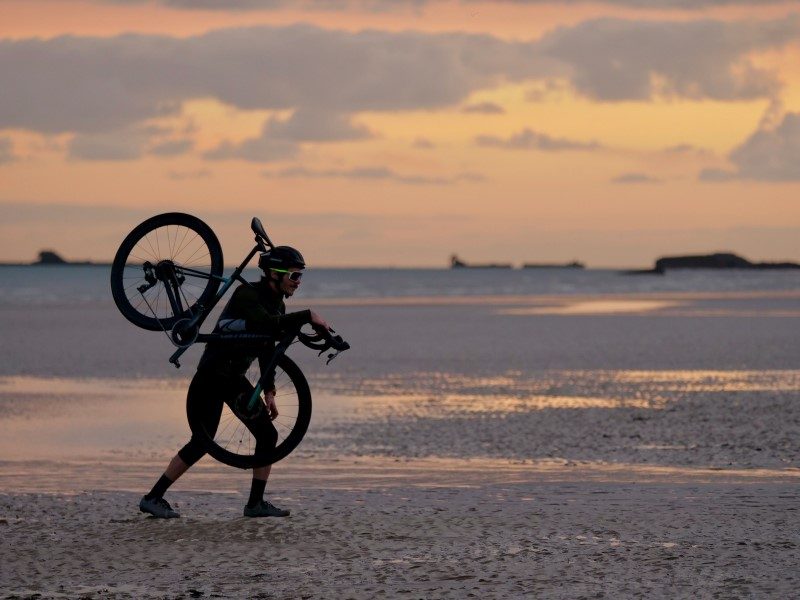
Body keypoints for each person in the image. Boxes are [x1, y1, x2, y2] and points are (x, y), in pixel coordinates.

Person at [139, 245, 329, 518]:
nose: (298, 283)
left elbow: (267, 348)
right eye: (295, 276)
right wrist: (308, 315)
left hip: (232, 377)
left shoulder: (277, 303)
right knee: (204, 441)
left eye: (300, 277)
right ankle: (154, 497)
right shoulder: (247, 295)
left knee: (262, 435)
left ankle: (254, 504)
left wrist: (269, 390)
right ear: (275, 274)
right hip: (213, 375)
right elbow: (266, 325)